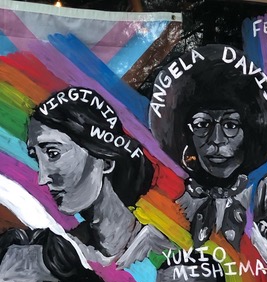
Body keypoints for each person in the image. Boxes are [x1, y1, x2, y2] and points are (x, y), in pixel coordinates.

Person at [149, 44, 267, 249]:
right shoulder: (165, 211)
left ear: (250, 132)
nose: (217, 140)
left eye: (230, 125)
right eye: (202, 125)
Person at [27, 87, 168, 266]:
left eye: (53, 153)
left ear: (105, 161)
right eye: (35, 157)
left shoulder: (161, 254)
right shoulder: (59, 255)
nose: (43, 178)